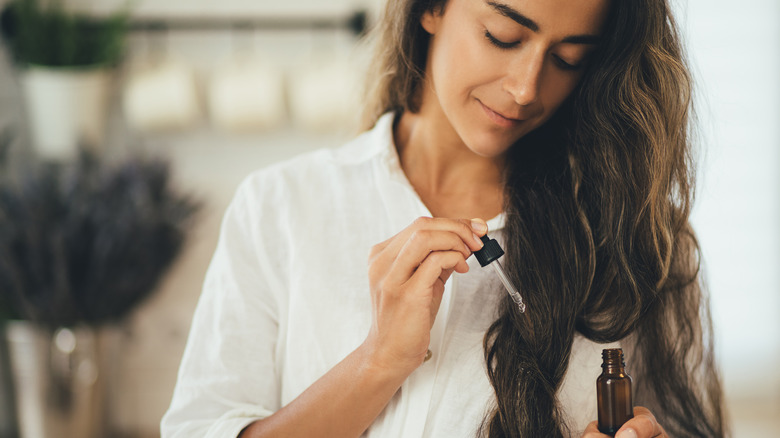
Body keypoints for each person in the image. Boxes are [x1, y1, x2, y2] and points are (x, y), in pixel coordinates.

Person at [161, 0, 727, 437]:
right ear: (431, 8)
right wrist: (379, 361)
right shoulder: (281, 206)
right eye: (502, 36)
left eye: (567, 60)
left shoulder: (639, 244)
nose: (525, 88)